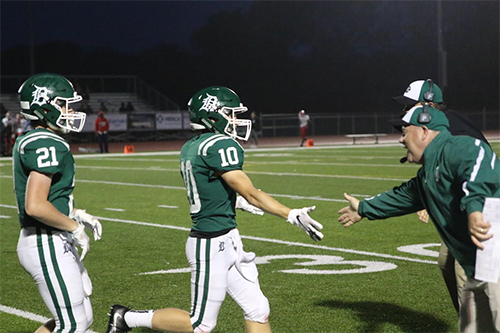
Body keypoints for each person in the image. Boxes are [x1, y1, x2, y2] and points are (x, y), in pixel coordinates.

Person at [105, 86, 324, 333]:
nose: (235, 120)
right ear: (212, 116)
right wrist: (291, 214)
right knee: (200, 324)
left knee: (258, 309)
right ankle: (127, 318)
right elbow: (251, 193)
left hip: (227, 238)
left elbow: (210, 186)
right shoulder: (218, 145)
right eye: (229, 114)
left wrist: (233, 201)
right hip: (211, 243)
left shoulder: (193, 145)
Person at [338, 105, 500, 332]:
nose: (401, 140)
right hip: (478, 265)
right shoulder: (427, 173)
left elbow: (480, 164)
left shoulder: (457, 146)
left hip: (494, 258)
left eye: (405, 132)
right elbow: (403, 196)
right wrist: (364, 209)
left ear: (424, 131)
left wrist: (474, 209)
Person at [14, 73, 103, 333]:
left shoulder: (37, 138)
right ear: (44, 108)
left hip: (48, 238)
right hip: (45, 240)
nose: (70, 111)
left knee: (81, 319)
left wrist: (74, 213)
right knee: (73, 324)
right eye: (63, 105)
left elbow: (45, 199)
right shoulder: (45, 142)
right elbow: (35, 205)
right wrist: (73, 227)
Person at [392, 79, 489, 315]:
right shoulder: (441, 126)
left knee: (465, 271)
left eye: (408, 105)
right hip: (463, 207)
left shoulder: (451, 128)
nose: (404, 111)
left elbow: (477, 168)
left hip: (481, 207)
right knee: (446, 262)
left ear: (426, 105)